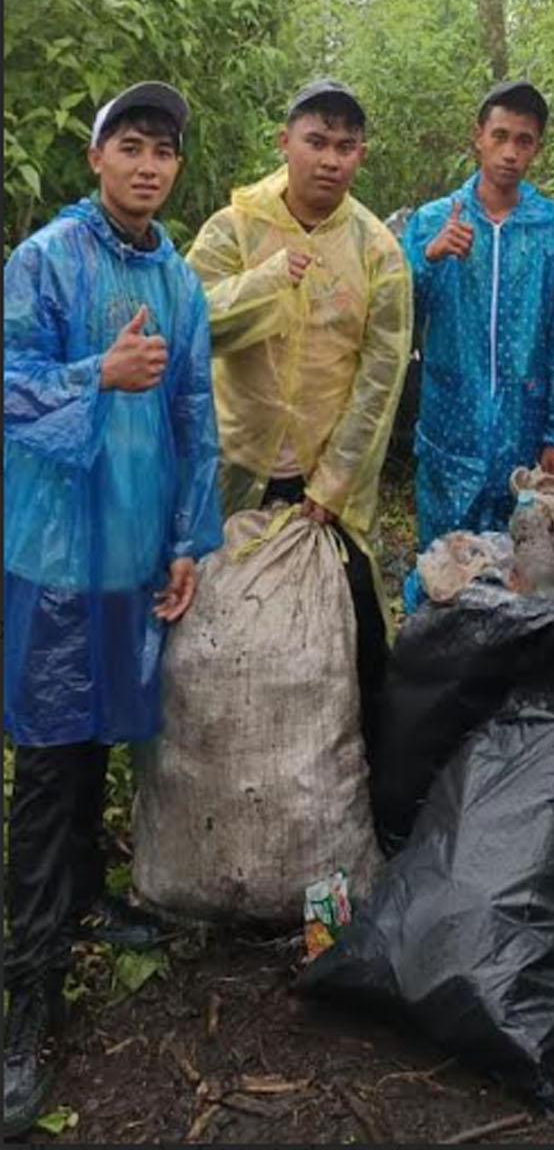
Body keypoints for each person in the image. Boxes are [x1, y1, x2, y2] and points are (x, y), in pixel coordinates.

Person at [3, 82, 224, 1134]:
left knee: (102, 730)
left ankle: (89, 900)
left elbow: (195, 415)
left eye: (164, 153)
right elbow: (7, 383)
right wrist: (99, 371)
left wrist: (185, 541)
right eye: (130, 147)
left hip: (134, 547)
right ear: (98, 160)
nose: (148, 166)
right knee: (48, 759)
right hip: (53, 553)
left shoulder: (180, 282)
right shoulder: (45, 259)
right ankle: (25, 1001)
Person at [186, 79, 412, 757]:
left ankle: (362, 786)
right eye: (316, 141)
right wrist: (269, 281)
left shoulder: (378, 251)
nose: (330, 160)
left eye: (345, 147)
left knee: (357, 640)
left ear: (361, 156)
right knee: (212, 631)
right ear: (285, 143)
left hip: (325, 488)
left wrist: (335, 483)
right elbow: (191, 321)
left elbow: (382, 375)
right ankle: (219, 763)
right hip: (236, 469)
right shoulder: (236, 227)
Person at [398, 80, 554, 611]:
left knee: (519, 571)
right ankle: (437, 679)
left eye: (524, 141)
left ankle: (507, 686)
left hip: (523, 435)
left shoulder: (551, 229)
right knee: (443, 566)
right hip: (449, 431)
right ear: (478, 138)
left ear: (537, 148)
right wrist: (427, 260)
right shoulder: (433, 222)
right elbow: (388, 316)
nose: (510, 152)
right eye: (501, 136)